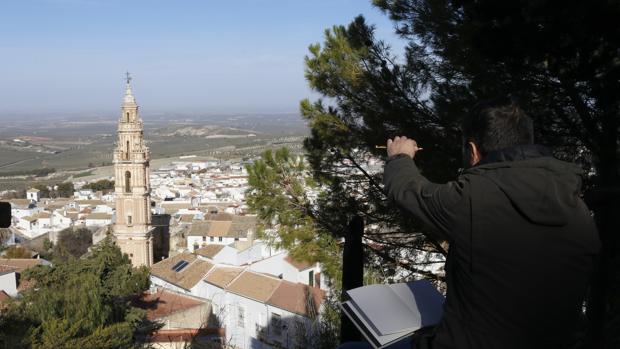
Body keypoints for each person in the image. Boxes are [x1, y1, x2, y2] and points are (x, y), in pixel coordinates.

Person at [383, 100, 600, 349]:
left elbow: (407, 190)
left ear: (473, 151)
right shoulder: (576, 205)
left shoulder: (472, 199)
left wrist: (399, 156)